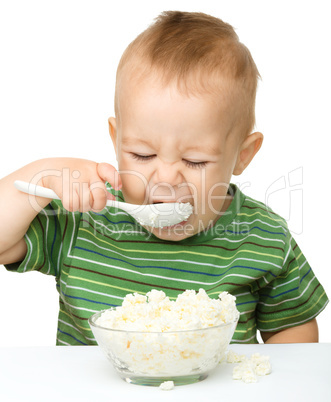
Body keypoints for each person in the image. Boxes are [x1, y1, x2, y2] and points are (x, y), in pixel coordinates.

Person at [0, 11, 328, 345]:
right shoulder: (85, 216)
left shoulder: (263, 238)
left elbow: (292, 330)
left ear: (242, 155)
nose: (167, 176)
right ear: (117, 139)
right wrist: (41, 177)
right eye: (142, 155)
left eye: (195, 160)